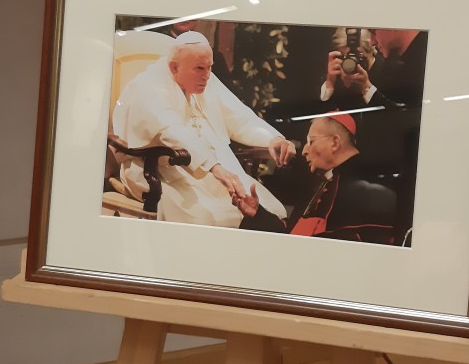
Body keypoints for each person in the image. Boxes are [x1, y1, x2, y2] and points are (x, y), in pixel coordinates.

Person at [112, 31, 296, 227]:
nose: (207, 75)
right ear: (174, 67)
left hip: (211, 169)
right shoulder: (148, 87)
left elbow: (237, 116)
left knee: (271, 210)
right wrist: (214, 167)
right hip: (161, 171)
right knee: (206, 219)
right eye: (200, 68)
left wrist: (272, 138)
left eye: (210, 67)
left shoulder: (204, 79)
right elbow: (171, 131)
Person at [231, 113, 400, 245]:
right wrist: (257, 213)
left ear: (335, 142)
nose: (304, 151)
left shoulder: (366, 191)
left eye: (311, 141)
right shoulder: (325, 185)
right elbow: (293, 239)